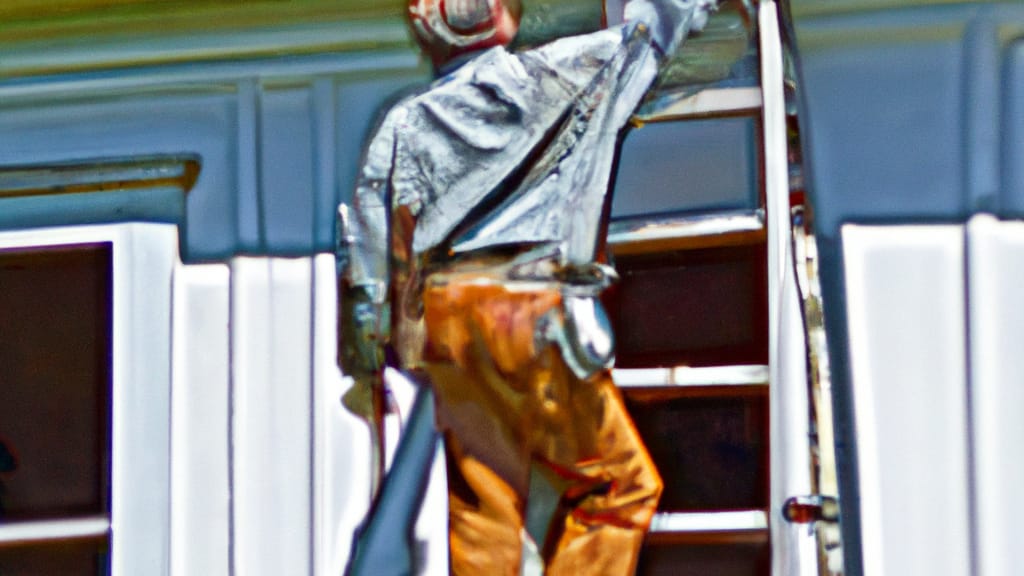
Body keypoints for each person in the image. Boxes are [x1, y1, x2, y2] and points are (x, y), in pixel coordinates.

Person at [339, 0, 717, 573]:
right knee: (618, 490)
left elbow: (371, 248)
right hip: (524, 300)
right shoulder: (553, 73)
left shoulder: (405, 121)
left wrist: (376, 347)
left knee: (485, 509)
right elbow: (644, 36)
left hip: (449, 315)